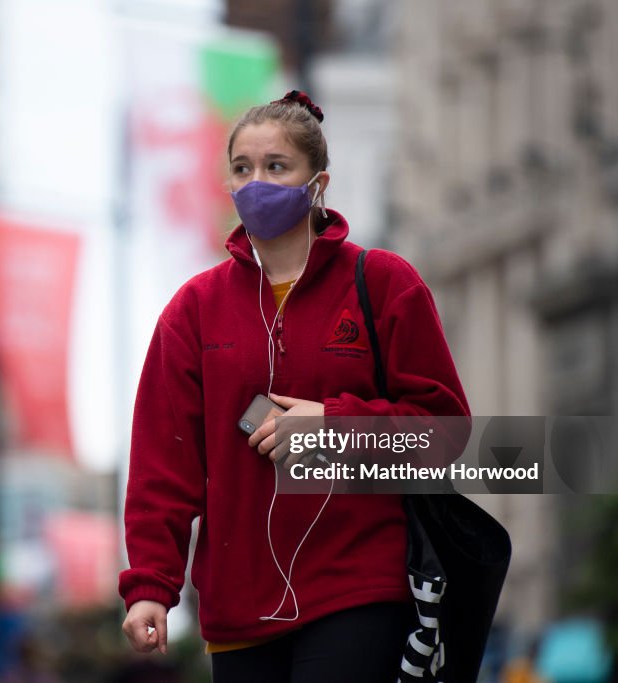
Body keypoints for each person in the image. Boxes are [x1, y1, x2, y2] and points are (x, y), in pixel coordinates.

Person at [118, 90, 470, 682]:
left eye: (276, 166)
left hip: (359, 588)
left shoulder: (384, 283)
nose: (256, 182)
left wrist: (333, 427)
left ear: (318, 183)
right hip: (238, 607)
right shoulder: (193, 311)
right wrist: (152, 584)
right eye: (242, 168)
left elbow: (447, 436)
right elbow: (163, 465)